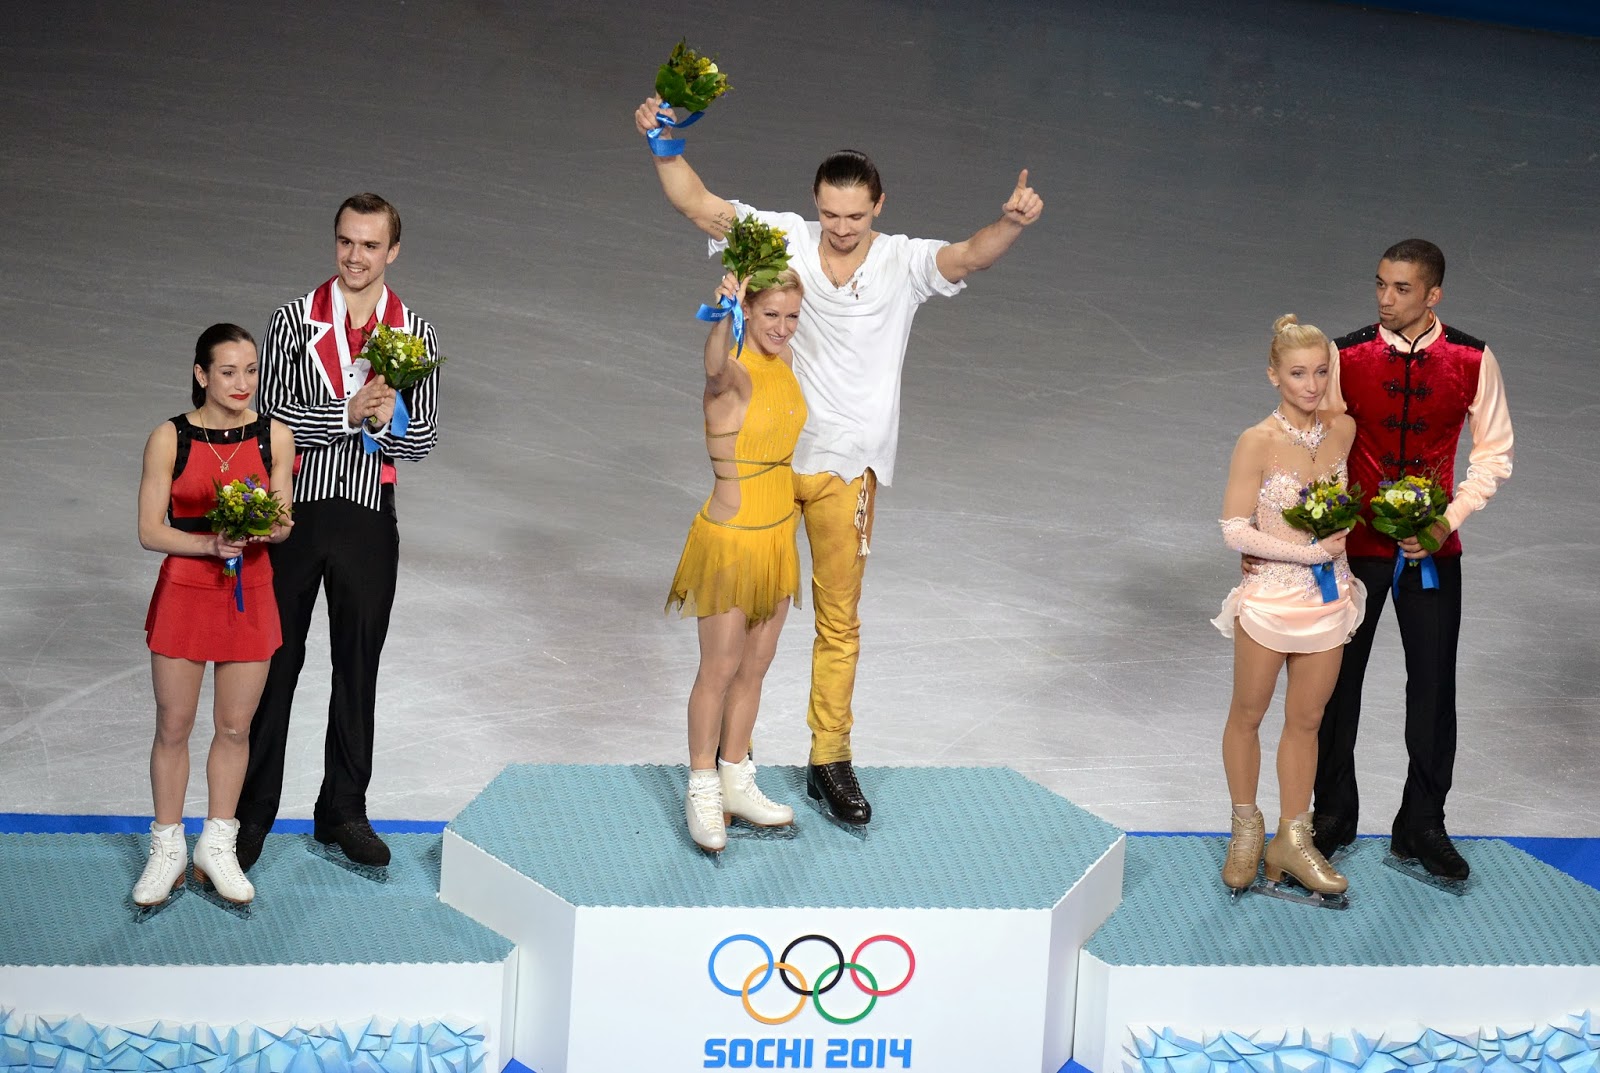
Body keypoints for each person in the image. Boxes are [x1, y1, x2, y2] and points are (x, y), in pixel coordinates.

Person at [635, 96, 1043, 825]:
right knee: (749, 627)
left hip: (845, 470)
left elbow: (967, 254)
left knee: (837, 621)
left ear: (878, 206)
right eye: (831, 214)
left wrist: (1009, 223)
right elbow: (697, 205)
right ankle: (734, 765)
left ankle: (830, 755)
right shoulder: (785, 239)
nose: (843, 228)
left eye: (856, 215)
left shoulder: (904, 262)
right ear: (815, 206)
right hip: (767, 464)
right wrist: (664, 144)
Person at [234, 193, 442, 872]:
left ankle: (342, 810)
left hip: (367, 516)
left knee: (358, 666)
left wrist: (386, 422)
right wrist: (350, 411)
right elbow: (270, 416)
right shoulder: (294, 320)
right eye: (346, 242)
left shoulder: (415, 334)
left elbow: (425, 436)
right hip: (293, 513)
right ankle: (251, 811)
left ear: (393, 252)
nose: (356, 257)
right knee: (278, 663)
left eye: (370, 245)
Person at [1310, 239, 1513, 882]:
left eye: (1401, 289)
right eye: (1379, 285)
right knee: (1337, 688)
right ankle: (1333, 812)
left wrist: (1442, 522)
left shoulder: (1473, 360)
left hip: (1433, 552)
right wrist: (1328, 518)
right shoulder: (1346, 356)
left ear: (1433, 295)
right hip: (1356, 550)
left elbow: (1494, 454)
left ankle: (1421, 822)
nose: (1385, 299)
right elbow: (1319, 445)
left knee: (1432, 688)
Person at [134, 324, 295, 907]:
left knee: (234, 728)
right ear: (202, 374)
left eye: (251, 371)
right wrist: (210, 545)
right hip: (185, 589)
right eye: (228, 372)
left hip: (248, 592)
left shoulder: (274, 436)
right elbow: (151, 530)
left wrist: (264, 528)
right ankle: (168, 847)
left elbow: (281, 522)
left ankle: (217, 845)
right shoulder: (168, 437)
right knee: (172, 727)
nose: (242, 383)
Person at [1214, 315, 1362, 899]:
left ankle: (1292, 839)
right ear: (1273, 374)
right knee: (1247, 715)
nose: (1311, 384)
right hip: (1272, 598)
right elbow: (1232, 528)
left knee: (1306, 722)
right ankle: (1246, 826)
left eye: (1321, 372)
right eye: (1298, 373)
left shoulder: (1343, 430)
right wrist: (1305, 551)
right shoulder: (1257, 441)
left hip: (1328, 600)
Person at [667, 270, 808, 852]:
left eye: (792, 316)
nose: (781, 327)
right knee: (718, 670)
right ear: (749, 310)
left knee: (755, 669)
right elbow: (713, 362)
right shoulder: (732, 379)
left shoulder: (785, 365)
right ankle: (701, 785)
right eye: (770, 314)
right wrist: (722, 312)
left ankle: (735, 777)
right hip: (731, 544)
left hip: (778, 539)